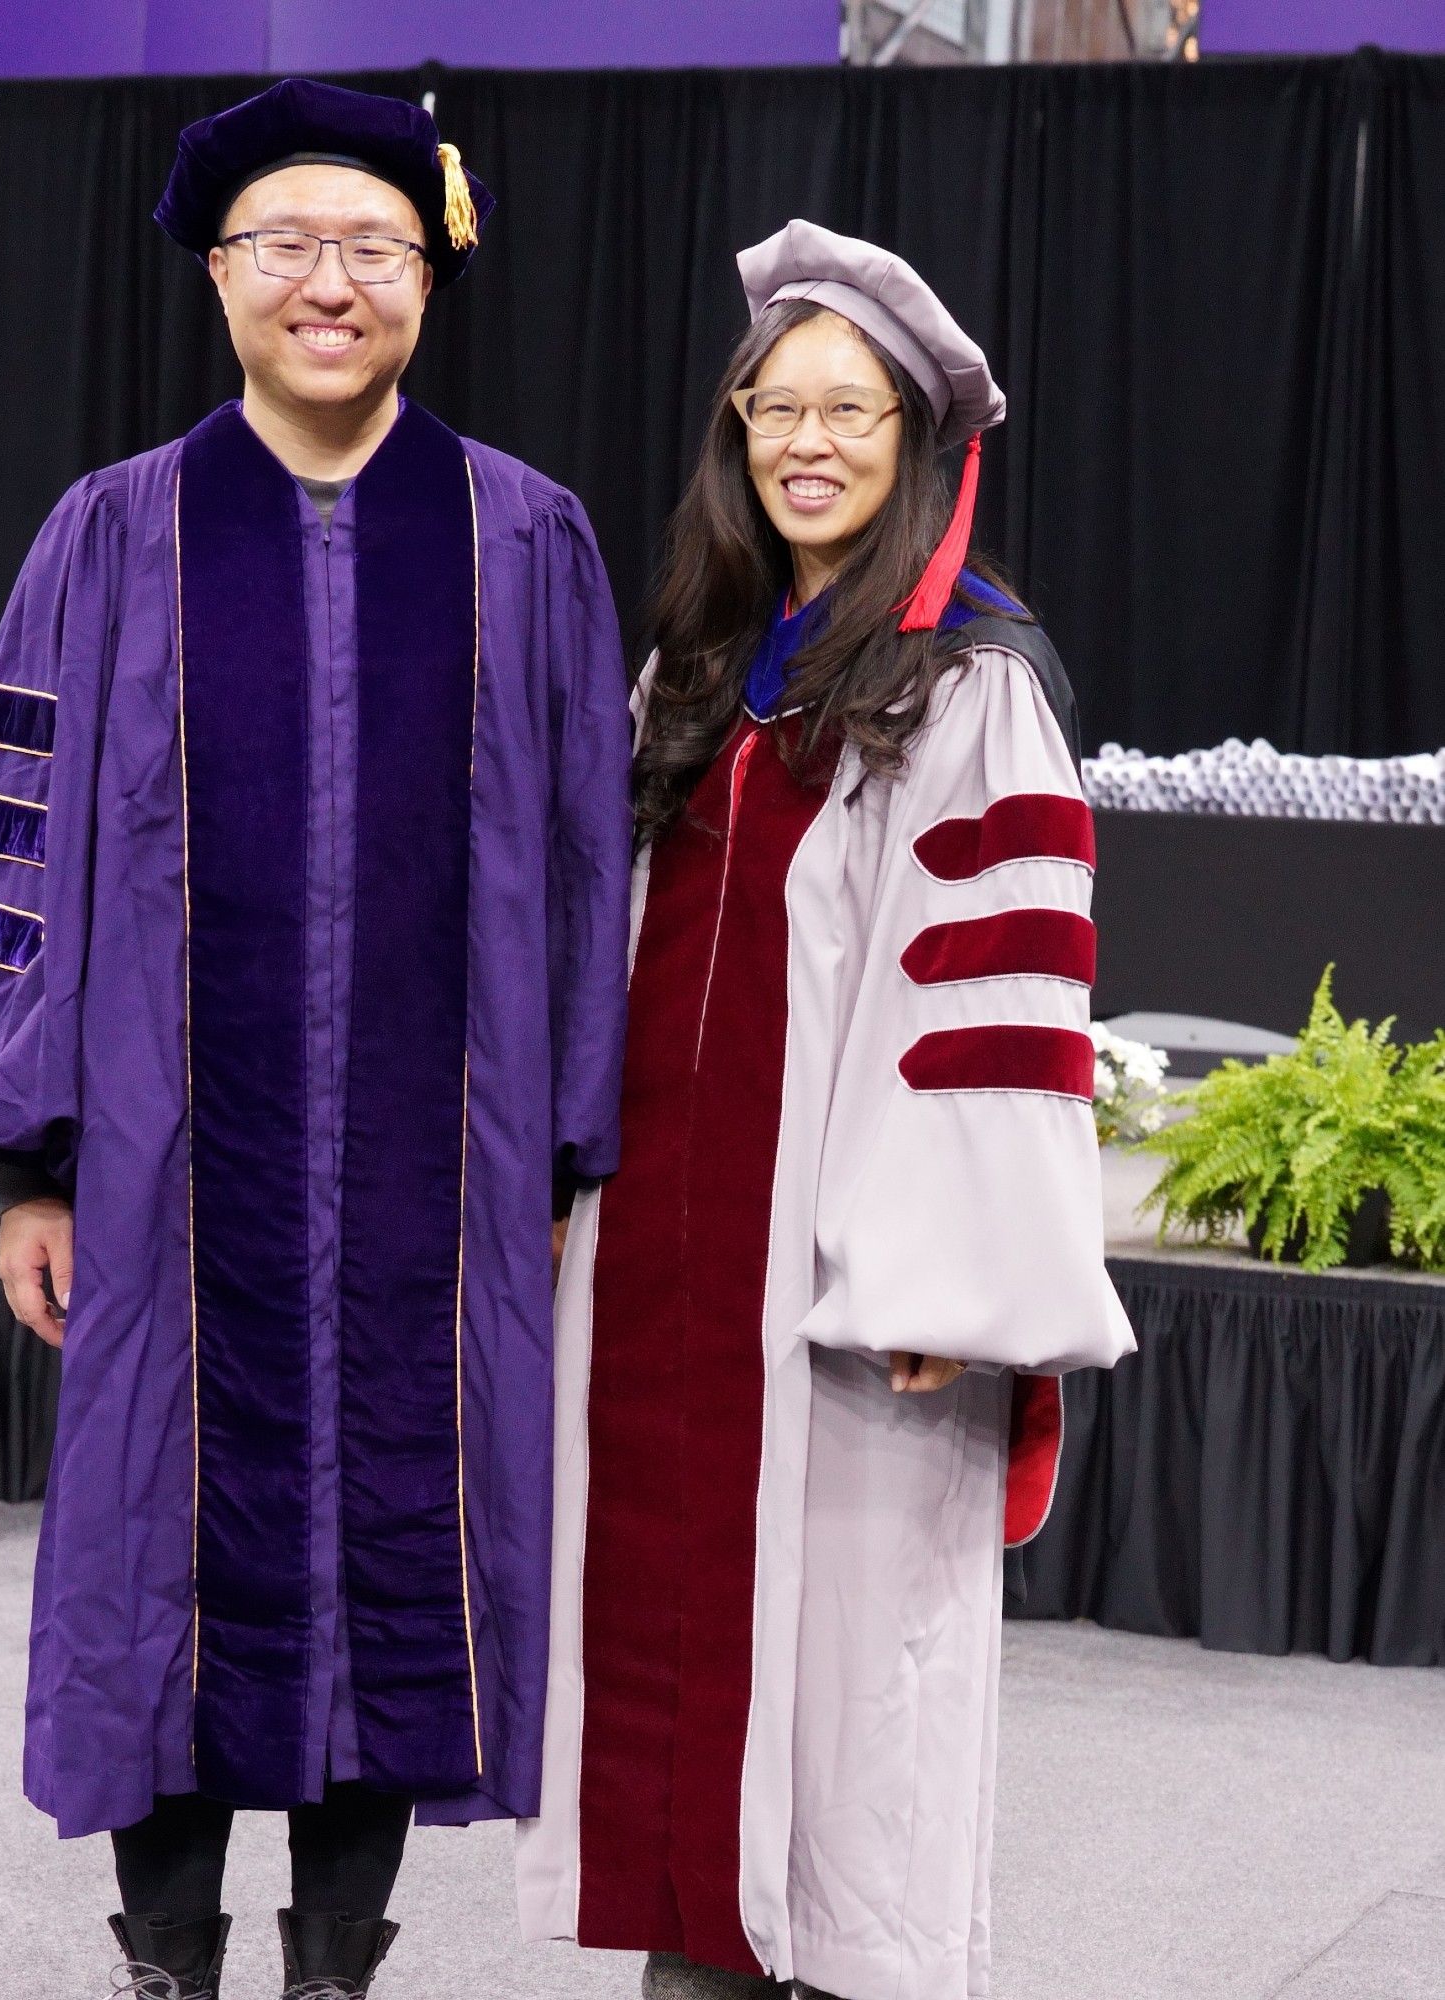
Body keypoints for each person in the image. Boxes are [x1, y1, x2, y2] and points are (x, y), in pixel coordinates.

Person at [0, 77, 632, 2000]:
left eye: (371, 246)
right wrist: (27, 1166)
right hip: (159, 1159)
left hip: (432, 1168)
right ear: (221, 280)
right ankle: (167, 1966)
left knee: (402, 1524)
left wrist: (558, 1147)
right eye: (285, 244)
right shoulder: (113, 532)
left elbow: (576, 851)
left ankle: (334, 1973)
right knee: (161, 1547)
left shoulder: (521, 536)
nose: (329, 281)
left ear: (427, 280)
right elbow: (13, 849)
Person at [516, 220, 1135, 2000]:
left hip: (849, 1300)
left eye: (848, 410)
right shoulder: (700, 670)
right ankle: (699, 1963)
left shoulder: (970, 681)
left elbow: (999, 1005)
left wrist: (942, 1281)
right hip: (662, 1275)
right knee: (682, 1670)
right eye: (773, 407)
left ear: (917, 441)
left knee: (856, 1696)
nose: (806, 442)